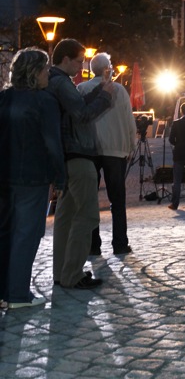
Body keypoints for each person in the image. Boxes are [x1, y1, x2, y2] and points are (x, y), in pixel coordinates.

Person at [46, 39, 114, 289]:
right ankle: (72, 274)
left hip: (67, 158)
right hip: (78, 155)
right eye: (78, 60)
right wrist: (106, 97)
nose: (81, 66)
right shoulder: (62, 83)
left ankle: (61, 273)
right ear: (65, 59)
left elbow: (79, 106)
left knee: (65, 217)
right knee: (86, 216)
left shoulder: (56, 82)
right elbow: (83, 114)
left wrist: (101, 88)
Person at [0, 48, 65, 309]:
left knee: (5, 233)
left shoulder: (3, 98)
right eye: (46, 68)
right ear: (35, 72)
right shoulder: (44, 101)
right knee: (27, 235)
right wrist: (59, 178)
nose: (48, 72)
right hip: (32, 177)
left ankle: (5, 292)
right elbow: (52, 143)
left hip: (4, 177)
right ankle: (17, 295)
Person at [77, 52, 136, 255]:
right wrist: (131, 145)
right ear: (106, 69)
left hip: (90, 150)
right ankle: (120, 244)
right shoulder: (119, 90)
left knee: (90, 200)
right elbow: (130, 121)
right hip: (116, 150)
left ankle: (94, 246)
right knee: (117, 200)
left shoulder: (82, 89)